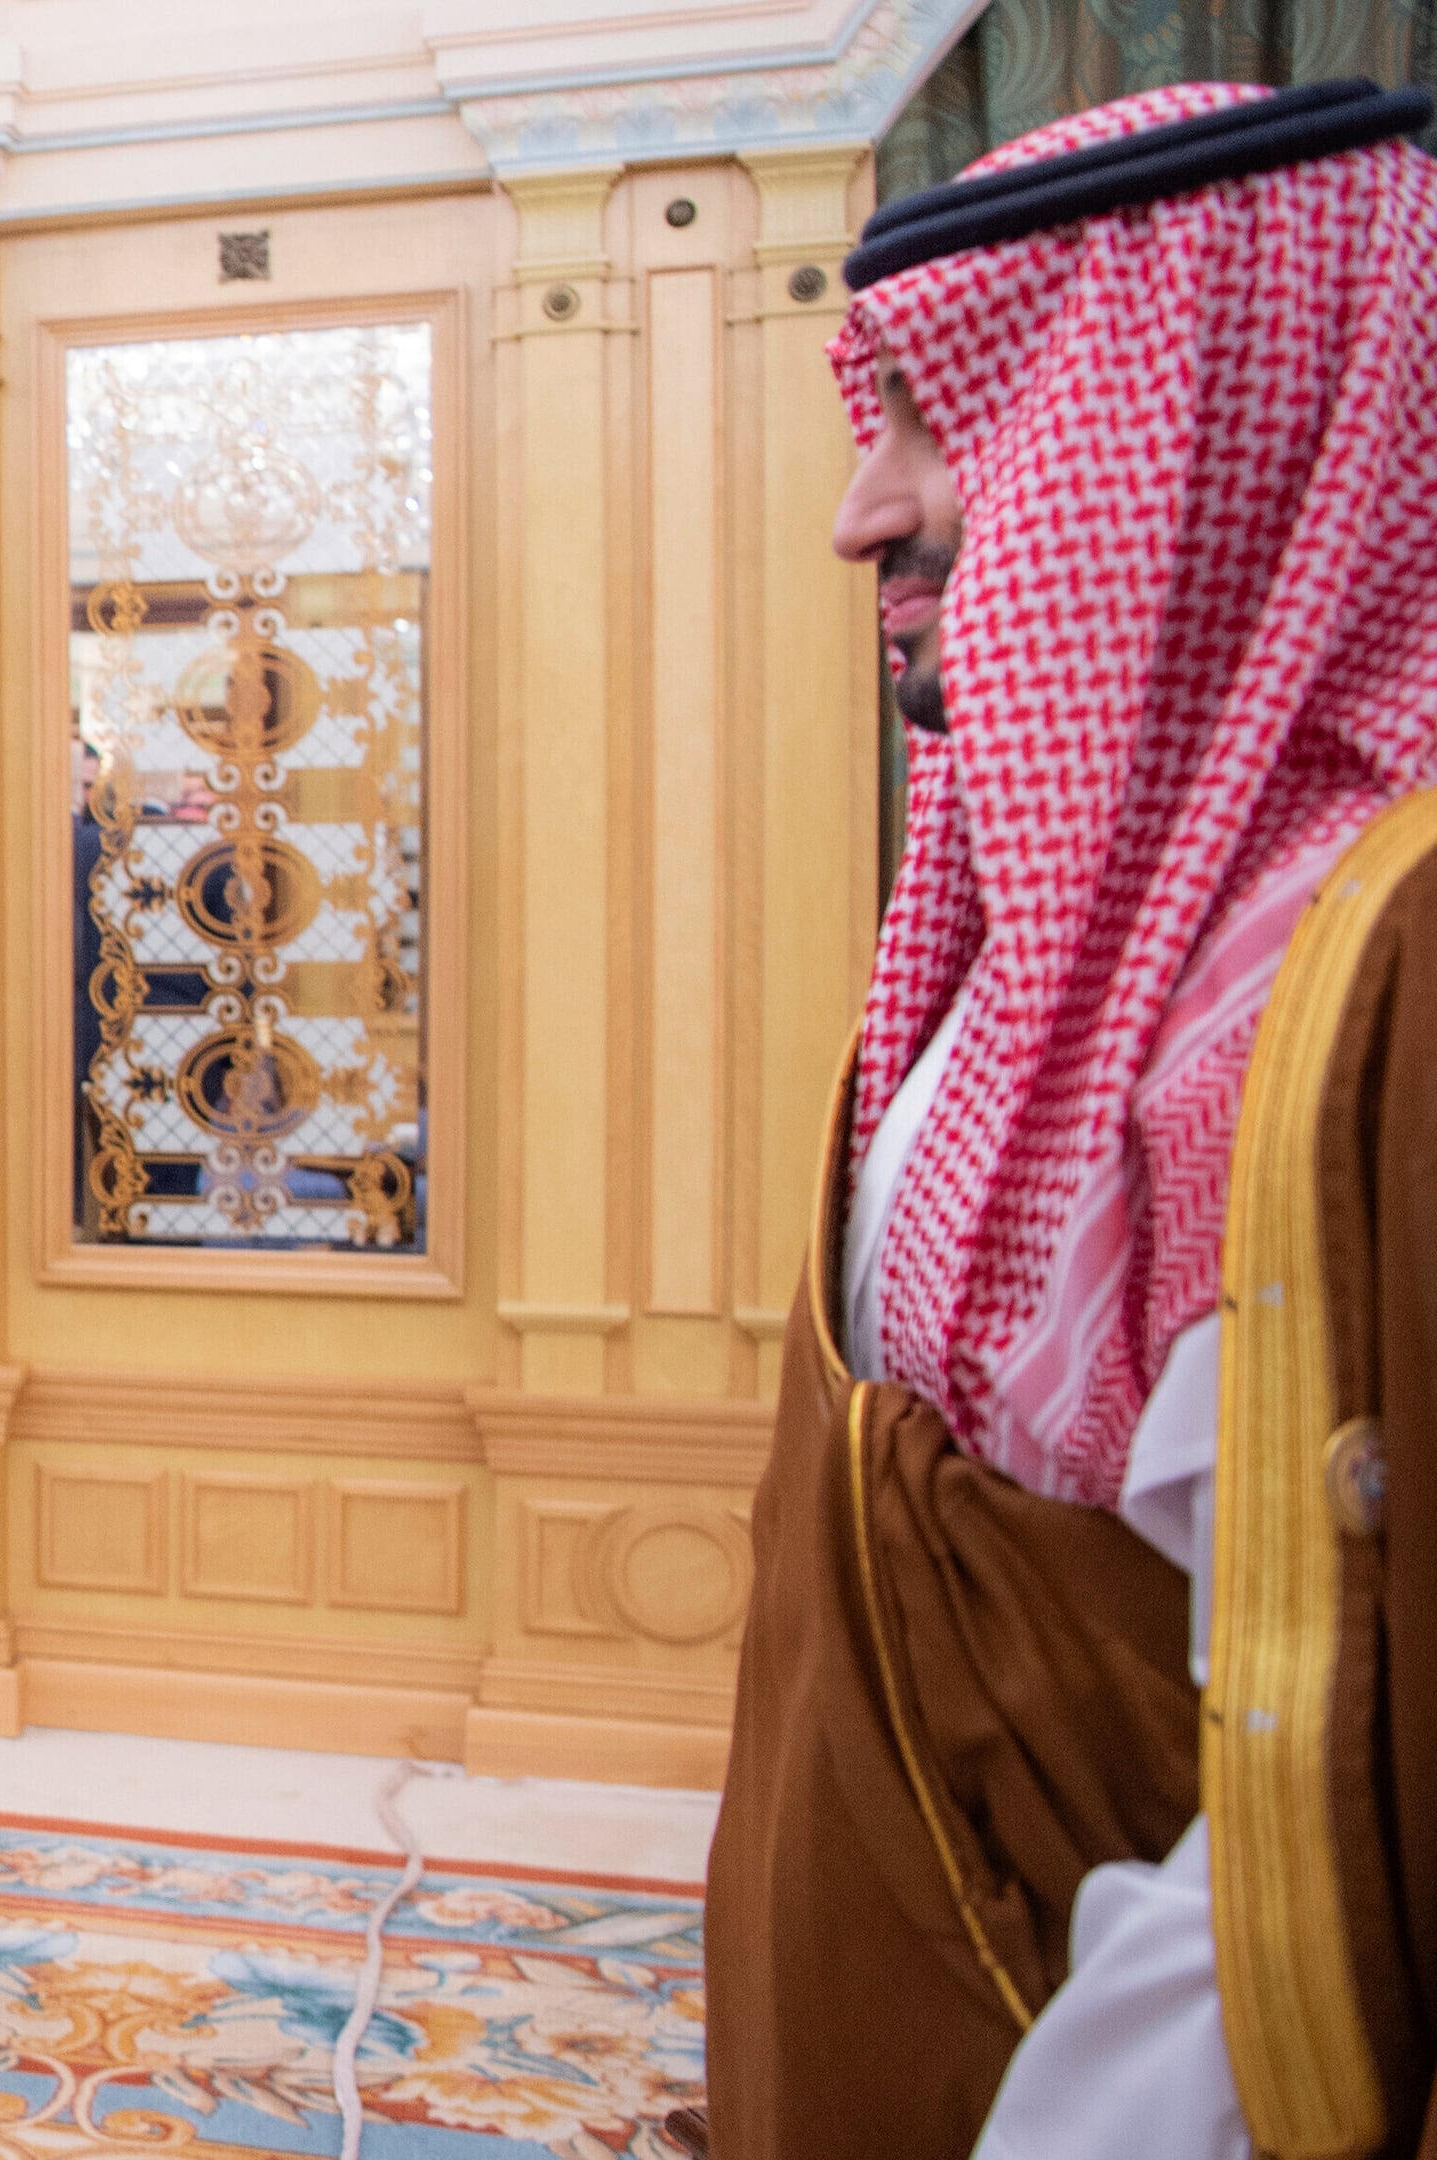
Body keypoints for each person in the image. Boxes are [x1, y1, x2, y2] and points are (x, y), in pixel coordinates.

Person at [700, 78, 1437, 2160]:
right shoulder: (1061, 926)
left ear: (1202, 436)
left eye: (942, 419)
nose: (865, 508)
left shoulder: (1362, 986)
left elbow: (1308, 1809)